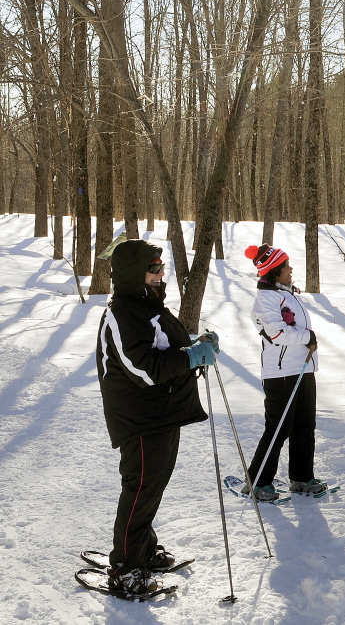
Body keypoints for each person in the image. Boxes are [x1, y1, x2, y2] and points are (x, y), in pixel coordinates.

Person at [96, 239, 218, 595]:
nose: (160, 273)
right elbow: (143, 369)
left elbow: (163, 346)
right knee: (140, 489)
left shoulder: (148, 306)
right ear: (134, 272)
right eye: (153, 268)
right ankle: (125, 566)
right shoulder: (122, 312)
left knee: (152, 487)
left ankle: (144, 551)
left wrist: (196, 343)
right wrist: (192, 357)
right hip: (140, 418)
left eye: (161, 267)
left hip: (162, 413)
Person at [242, 244, 326, 501]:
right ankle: (257, 483)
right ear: (275, 271)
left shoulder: (287, 294)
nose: (291, 269)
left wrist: (306, 341)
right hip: (280, 373)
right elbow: (276, 334)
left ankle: (301, 478)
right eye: (286, 265)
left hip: (303, 368)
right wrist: (307, 336)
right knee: (278, 428)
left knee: (304, 426)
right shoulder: (266, 298)